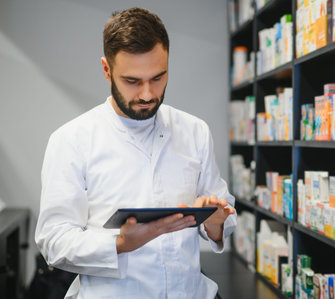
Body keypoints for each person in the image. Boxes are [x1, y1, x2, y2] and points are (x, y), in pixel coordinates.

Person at [35, 7, 236, 299]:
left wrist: (216, 223)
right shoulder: (71, 140)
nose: (146, 94)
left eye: (158, 77)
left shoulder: (194, 131)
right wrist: (119, 243)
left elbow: (222, 218)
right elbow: (54, 242)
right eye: (132, 81)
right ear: (107, 70)